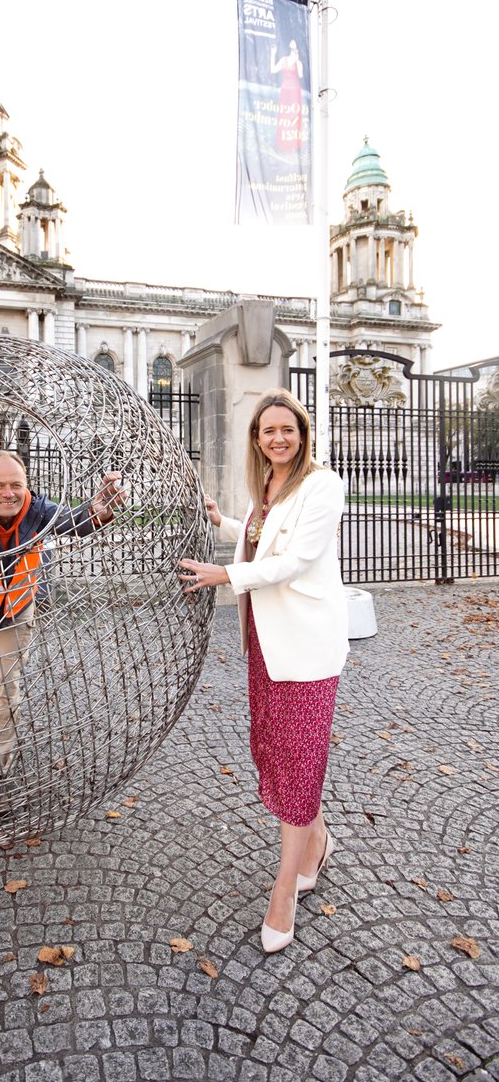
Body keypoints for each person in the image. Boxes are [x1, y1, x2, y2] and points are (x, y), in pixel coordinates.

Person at [179, 388, 349, 953]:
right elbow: (260, 540)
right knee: (278, 749)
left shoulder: (323, 485)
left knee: (298, 756)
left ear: (303, 433)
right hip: (264, 640)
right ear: (257, 438)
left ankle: (284, 889)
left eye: (288, 429)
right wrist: (223, 520)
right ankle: (317, 839)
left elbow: (295, 559)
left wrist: (222, 576)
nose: (278, 438)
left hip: (304, 646)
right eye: (268, 430)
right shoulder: (267, 488)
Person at [0, 450, 124, 813]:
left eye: (16, 484)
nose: (8, 493)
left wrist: (100, 507)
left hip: (16, 614)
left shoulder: (36, 509)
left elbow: (75, 521)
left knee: (4, 694)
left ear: (26, 486)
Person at [270, 39, 304, 154]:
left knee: (294, 117)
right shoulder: (283, 60)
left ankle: (295, 145)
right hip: (285, 90)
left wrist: (298, 60)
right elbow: (273, 70)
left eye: (295, 47)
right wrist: (273, 54)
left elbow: (300, 75)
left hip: (295, 92)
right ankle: (281, 144)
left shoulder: (298, 63)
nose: (293, 49)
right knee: (284, 116)